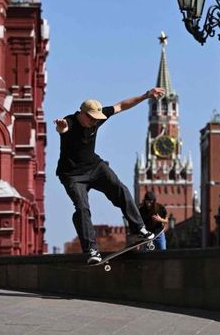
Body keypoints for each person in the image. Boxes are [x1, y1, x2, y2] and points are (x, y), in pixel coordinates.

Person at [55, 88, 164, 264]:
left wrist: (146, 96)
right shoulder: (71, 121)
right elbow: (63, 128)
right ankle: (91, 249)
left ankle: (139, 229)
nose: (93, 123)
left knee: (120, 189)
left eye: (96, 119)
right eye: (90, 119)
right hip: (72, 175)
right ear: (81, 113)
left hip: (95, 167)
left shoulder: (97, 118)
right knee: (82, 208)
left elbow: (121, 106)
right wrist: (61, 128)